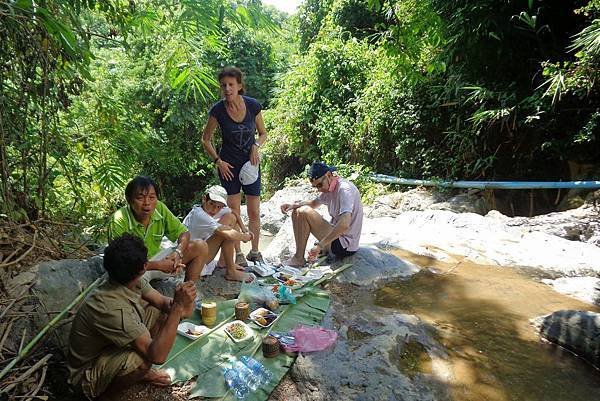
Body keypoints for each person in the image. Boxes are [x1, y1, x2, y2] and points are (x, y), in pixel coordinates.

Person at [67, 234, 196, 401]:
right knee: (141, 360)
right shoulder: (112, 307)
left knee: (161, 312)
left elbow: (164, 304)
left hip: (109, 346)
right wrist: (179, 306)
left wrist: (184, 301)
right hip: (86, 375)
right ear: (144, 266)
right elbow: (157, 356)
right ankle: (105, 397)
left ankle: (137, 373)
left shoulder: (125, 278)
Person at [201, 66, 267, 265]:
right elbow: (206, 140)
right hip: (228, 166)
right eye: (224, 86)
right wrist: (217, 161)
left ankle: (255, 252)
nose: (227, 89)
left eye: (231, 85)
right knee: (234, 212)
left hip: (250, 165)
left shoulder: (253, 106)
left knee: (254, 210)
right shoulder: (218, 110)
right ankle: (238, 253)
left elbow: (263, 133)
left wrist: (256, 145)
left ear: (239, 86)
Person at [108, 176, 207, 282]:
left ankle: (188, 293)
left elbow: (183, 233)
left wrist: (178, 253)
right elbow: (121, 261)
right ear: (129, 200)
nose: (147, 202)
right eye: (140, 198)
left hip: (157, 260)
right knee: (131, 276)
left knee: (200, 246)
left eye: (152, 197)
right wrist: (158, 265)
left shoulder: (159, 208)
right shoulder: (119, 219)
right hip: (135, 269)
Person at [280, 162, 363, 266]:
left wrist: (320, 245)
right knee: (297, 211)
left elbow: (344, 225)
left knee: (303, 211)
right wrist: (294, 205)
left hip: (345, 245)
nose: (319, 189)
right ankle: (299, 257)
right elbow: (313, 204)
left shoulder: (344, 189)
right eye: (316, 187)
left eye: (319, 185)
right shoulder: (330, 188)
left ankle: (298, 258)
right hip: (335, 239)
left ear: (328, 175)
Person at [183, 185, 255, 282]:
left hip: (201, 251)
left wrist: (244, 228)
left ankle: (224, 262)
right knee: (226, 232)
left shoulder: (213, 209)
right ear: (204, 199)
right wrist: (244, 237)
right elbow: (226, 232)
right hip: (192, 261)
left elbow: (233, 212)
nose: (214, 210)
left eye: (219, 207)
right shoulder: (199, 215)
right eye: (211, 204)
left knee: (230, 217)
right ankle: (231, 272)